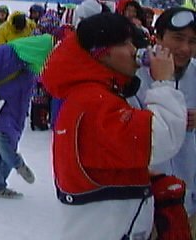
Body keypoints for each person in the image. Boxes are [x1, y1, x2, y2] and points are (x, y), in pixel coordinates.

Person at [41, 13, 187, 239]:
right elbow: (162, 139)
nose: (133, 50)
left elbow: (107, 158)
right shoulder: (94, 102)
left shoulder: (90, 97)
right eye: (125, 43)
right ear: (102, 52)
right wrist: (164, 83)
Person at [131, 7, 196, 234]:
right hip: (145, 205)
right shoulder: (134, 76)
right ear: (157, 37)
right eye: (178, 39)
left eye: (193, 41)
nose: (185, 48)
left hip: (187, 200)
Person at [0, 34, 55, 198]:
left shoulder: (31, 63)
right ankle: (17, 163)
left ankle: (0, 186)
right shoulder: (4, 53)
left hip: (16, 110)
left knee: (10, 142)